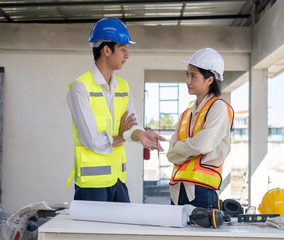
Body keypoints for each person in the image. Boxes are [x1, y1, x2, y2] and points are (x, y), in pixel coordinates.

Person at [66, 17, 165, 203]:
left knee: (123, 232)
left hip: (118, 181)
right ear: (106, 50)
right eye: (123, 48)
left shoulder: (123, 87)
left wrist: (141, 135)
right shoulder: (80, 88)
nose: (127, 55)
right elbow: (92, 140)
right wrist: (123, 136)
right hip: (92, 186)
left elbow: (131, 126)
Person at [167, 48, 234, 208]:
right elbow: (170, 154)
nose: (187, 81)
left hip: (203, 191)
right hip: (177, 190)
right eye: (187, 75)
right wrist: (191, 148)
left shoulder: (219, 108)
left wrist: (180, 148)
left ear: (209, 80)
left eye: (193, 76)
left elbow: (202, 145)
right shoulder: (186, 114)